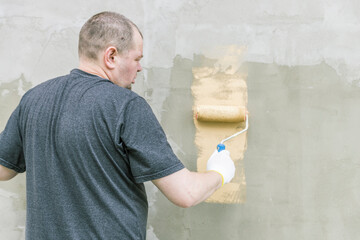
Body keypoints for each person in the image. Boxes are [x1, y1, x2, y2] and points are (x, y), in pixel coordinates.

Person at [0, 11, 235, 239]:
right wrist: (220, 172)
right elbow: (186, 193)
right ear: (111, 56)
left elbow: (3, 169)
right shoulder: (126, 106)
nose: (140, 68)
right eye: (137, 59)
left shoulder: (33, 100)